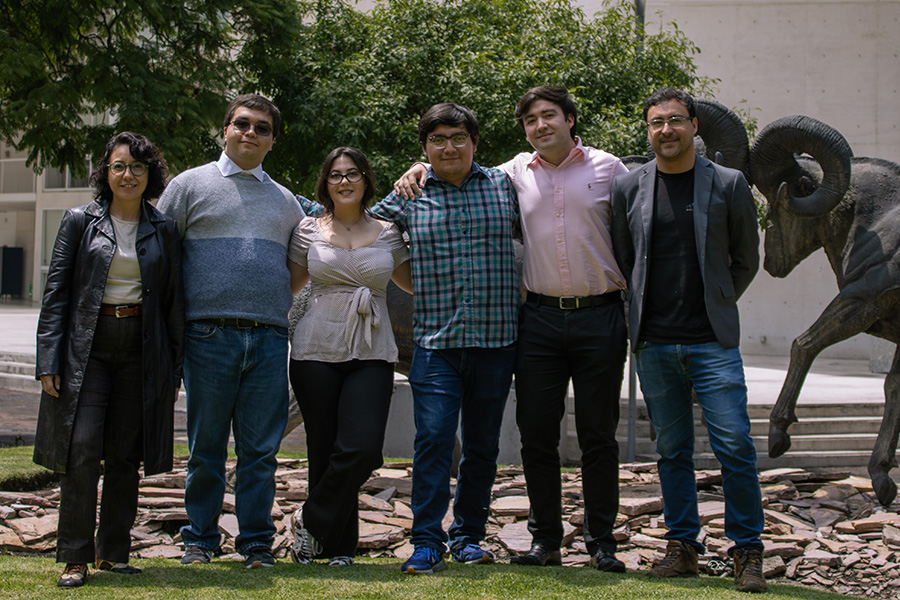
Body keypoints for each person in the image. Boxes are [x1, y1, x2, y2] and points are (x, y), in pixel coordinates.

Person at [395, 86, 629, 571]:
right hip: (516, 325)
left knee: (592, 436)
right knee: (512, 437)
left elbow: (636, 226)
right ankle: (532, 541)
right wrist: (415, 172)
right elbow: (376, 229)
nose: (541, 125)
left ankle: (597, 543)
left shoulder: (598, 168)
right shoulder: (500, 177)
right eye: (531, 120)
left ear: (569, 119)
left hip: (587, 317)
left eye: (550, 116)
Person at [299, 103, 520, 574]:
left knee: (482, 446)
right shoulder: (407, 196)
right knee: (433, 441)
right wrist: (412, 172)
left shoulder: (506, 185)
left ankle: (468, 537)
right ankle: (426, 541)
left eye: (458, 137)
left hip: (497, 339)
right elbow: (353, 218)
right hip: (436, 343)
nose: (449, 146)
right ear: (424, 148)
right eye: (437, 140)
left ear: (475, 142)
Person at [610, 88, 766, 593]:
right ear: (648, 130)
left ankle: (747, 552)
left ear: (694, 126)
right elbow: (625, 257)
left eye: (676, 120)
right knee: (672, 451)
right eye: (656, 123)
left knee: (735, 447)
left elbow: (746, 259)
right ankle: (683, 548)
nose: (666, 131)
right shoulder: (630, 188)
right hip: (654, 344)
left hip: (712, 343)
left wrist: (719, 300)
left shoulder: (728, 183)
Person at [157, 94, 304, 569]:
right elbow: (159, 258)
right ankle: (199, 537)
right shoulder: (188, 185)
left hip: (267, 338)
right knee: (206, 448)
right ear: (225, 129)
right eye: (242, 124)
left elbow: (321, 238)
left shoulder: (286, 201)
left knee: (261, 452)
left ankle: (256, 543)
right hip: (207, 336)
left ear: (272, 141)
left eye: (262, 128)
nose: (250, 133)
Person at [34, 132, 184, 588]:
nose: (128, 175)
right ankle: (75, 556)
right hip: (88, 348)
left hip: (141, 348)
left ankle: (113, 553)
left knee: (125, 454)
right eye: (120, 166)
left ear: (149, 174)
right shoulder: (79, 221)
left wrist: (173, 367)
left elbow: (174, 304)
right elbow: (56, 294)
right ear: (106, 171)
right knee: (80, 449)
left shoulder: (165, 228)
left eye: (138, 167)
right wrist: (49, 359)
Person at [287, 147, 412, 567]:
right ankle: (335, 548)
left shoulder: (389, 232)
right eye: (336, 175)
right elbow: (287, 285)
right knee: (324, 449)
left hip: (372, 349)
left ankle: (309, 521)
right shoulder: (307, 230)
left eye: (353, 173)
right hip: (315, 347)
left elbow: (414, 284)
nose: (344, 181)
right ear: (325, 183)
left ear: (365, 181)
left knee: (362, 449)